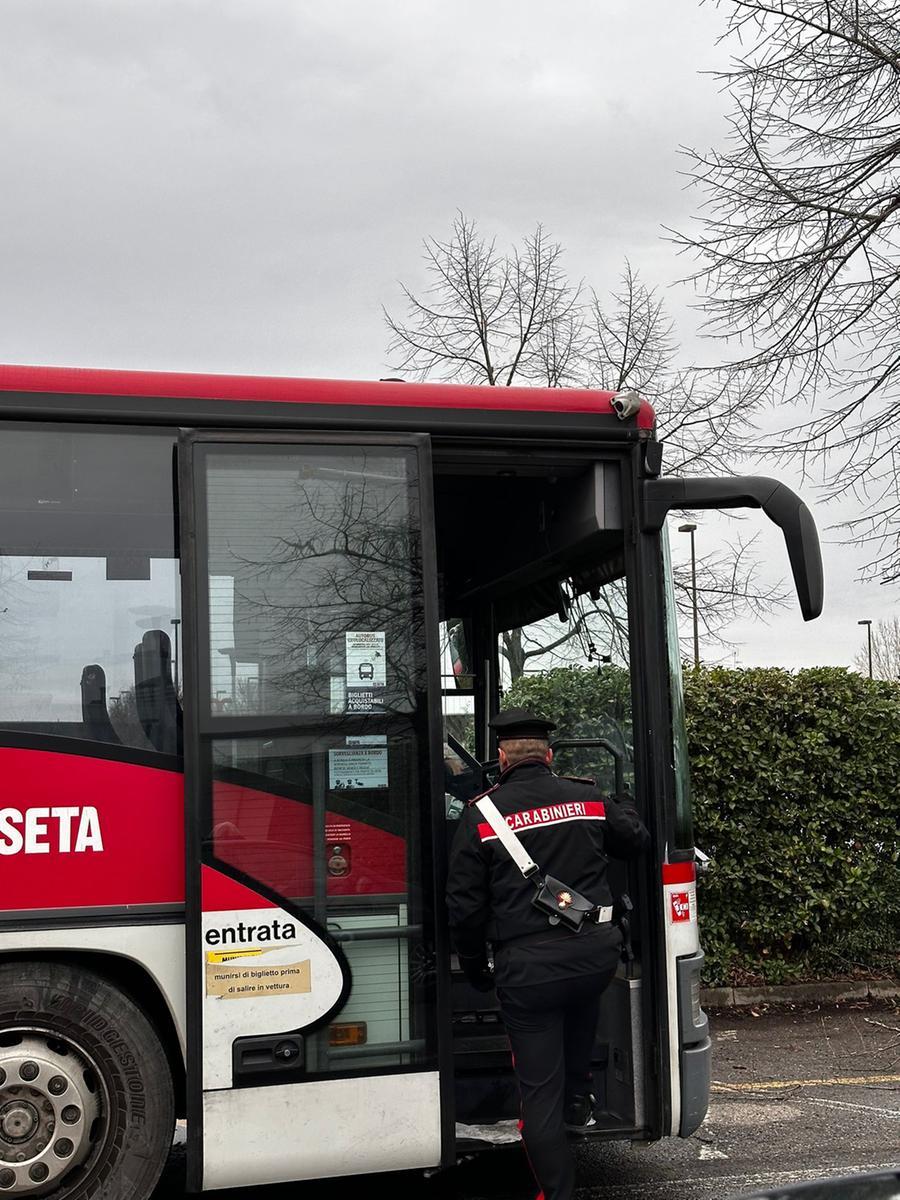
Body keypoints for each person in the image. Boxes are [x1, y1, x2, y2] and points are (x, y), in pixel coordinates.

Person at [445, 707, 649, 1200]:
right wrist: (623, 803)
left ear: (501, 758)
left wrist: (475, 968)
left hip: (529, 974)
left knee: (538, 1096)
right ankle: (579, 1097)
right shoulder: (588, 797)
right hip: (594, 959)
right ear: (550, 756)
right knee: (579, 1021)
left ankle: (557, 1192)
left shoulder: (482, 815)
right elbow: (636, 841)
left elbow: (464, 907)